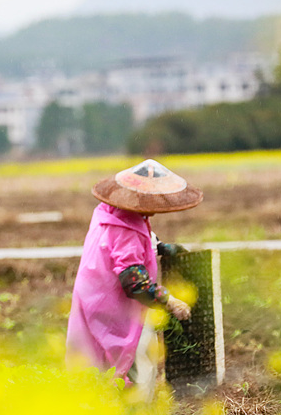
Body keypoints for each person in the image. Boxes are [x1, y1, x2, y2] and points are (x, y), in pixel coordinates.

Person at [65, 159, 202, 393]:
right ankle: (134, 409)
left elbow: (145, 241)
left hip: (92, 297)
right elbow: (135, 282)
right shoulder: (125, 230)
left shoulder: (110, 213)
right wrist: (170, 301)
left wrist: (165, 248)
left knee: (95, 364)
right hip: (113, 307)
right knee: (133, 362)